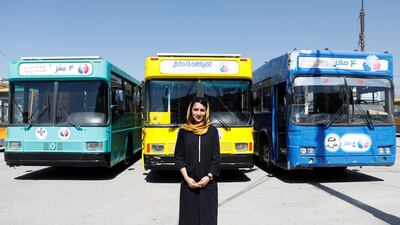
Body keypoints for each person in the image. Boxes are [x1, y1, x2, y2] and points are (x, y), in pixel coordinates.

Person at [174, 97, 221, 225]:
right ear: (190, 110)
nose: (198, 113)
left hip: (208, 184)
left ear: (207, 112)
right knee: (188, 219)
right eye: (195, 109)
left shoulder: (212, 131)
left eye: (202, 110)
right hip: (189, 183)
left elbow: (216, 158)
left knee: (208, 219)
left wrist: (209, 177)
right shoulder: (184, 131)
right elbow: (178, 157)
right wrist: (187, 178)